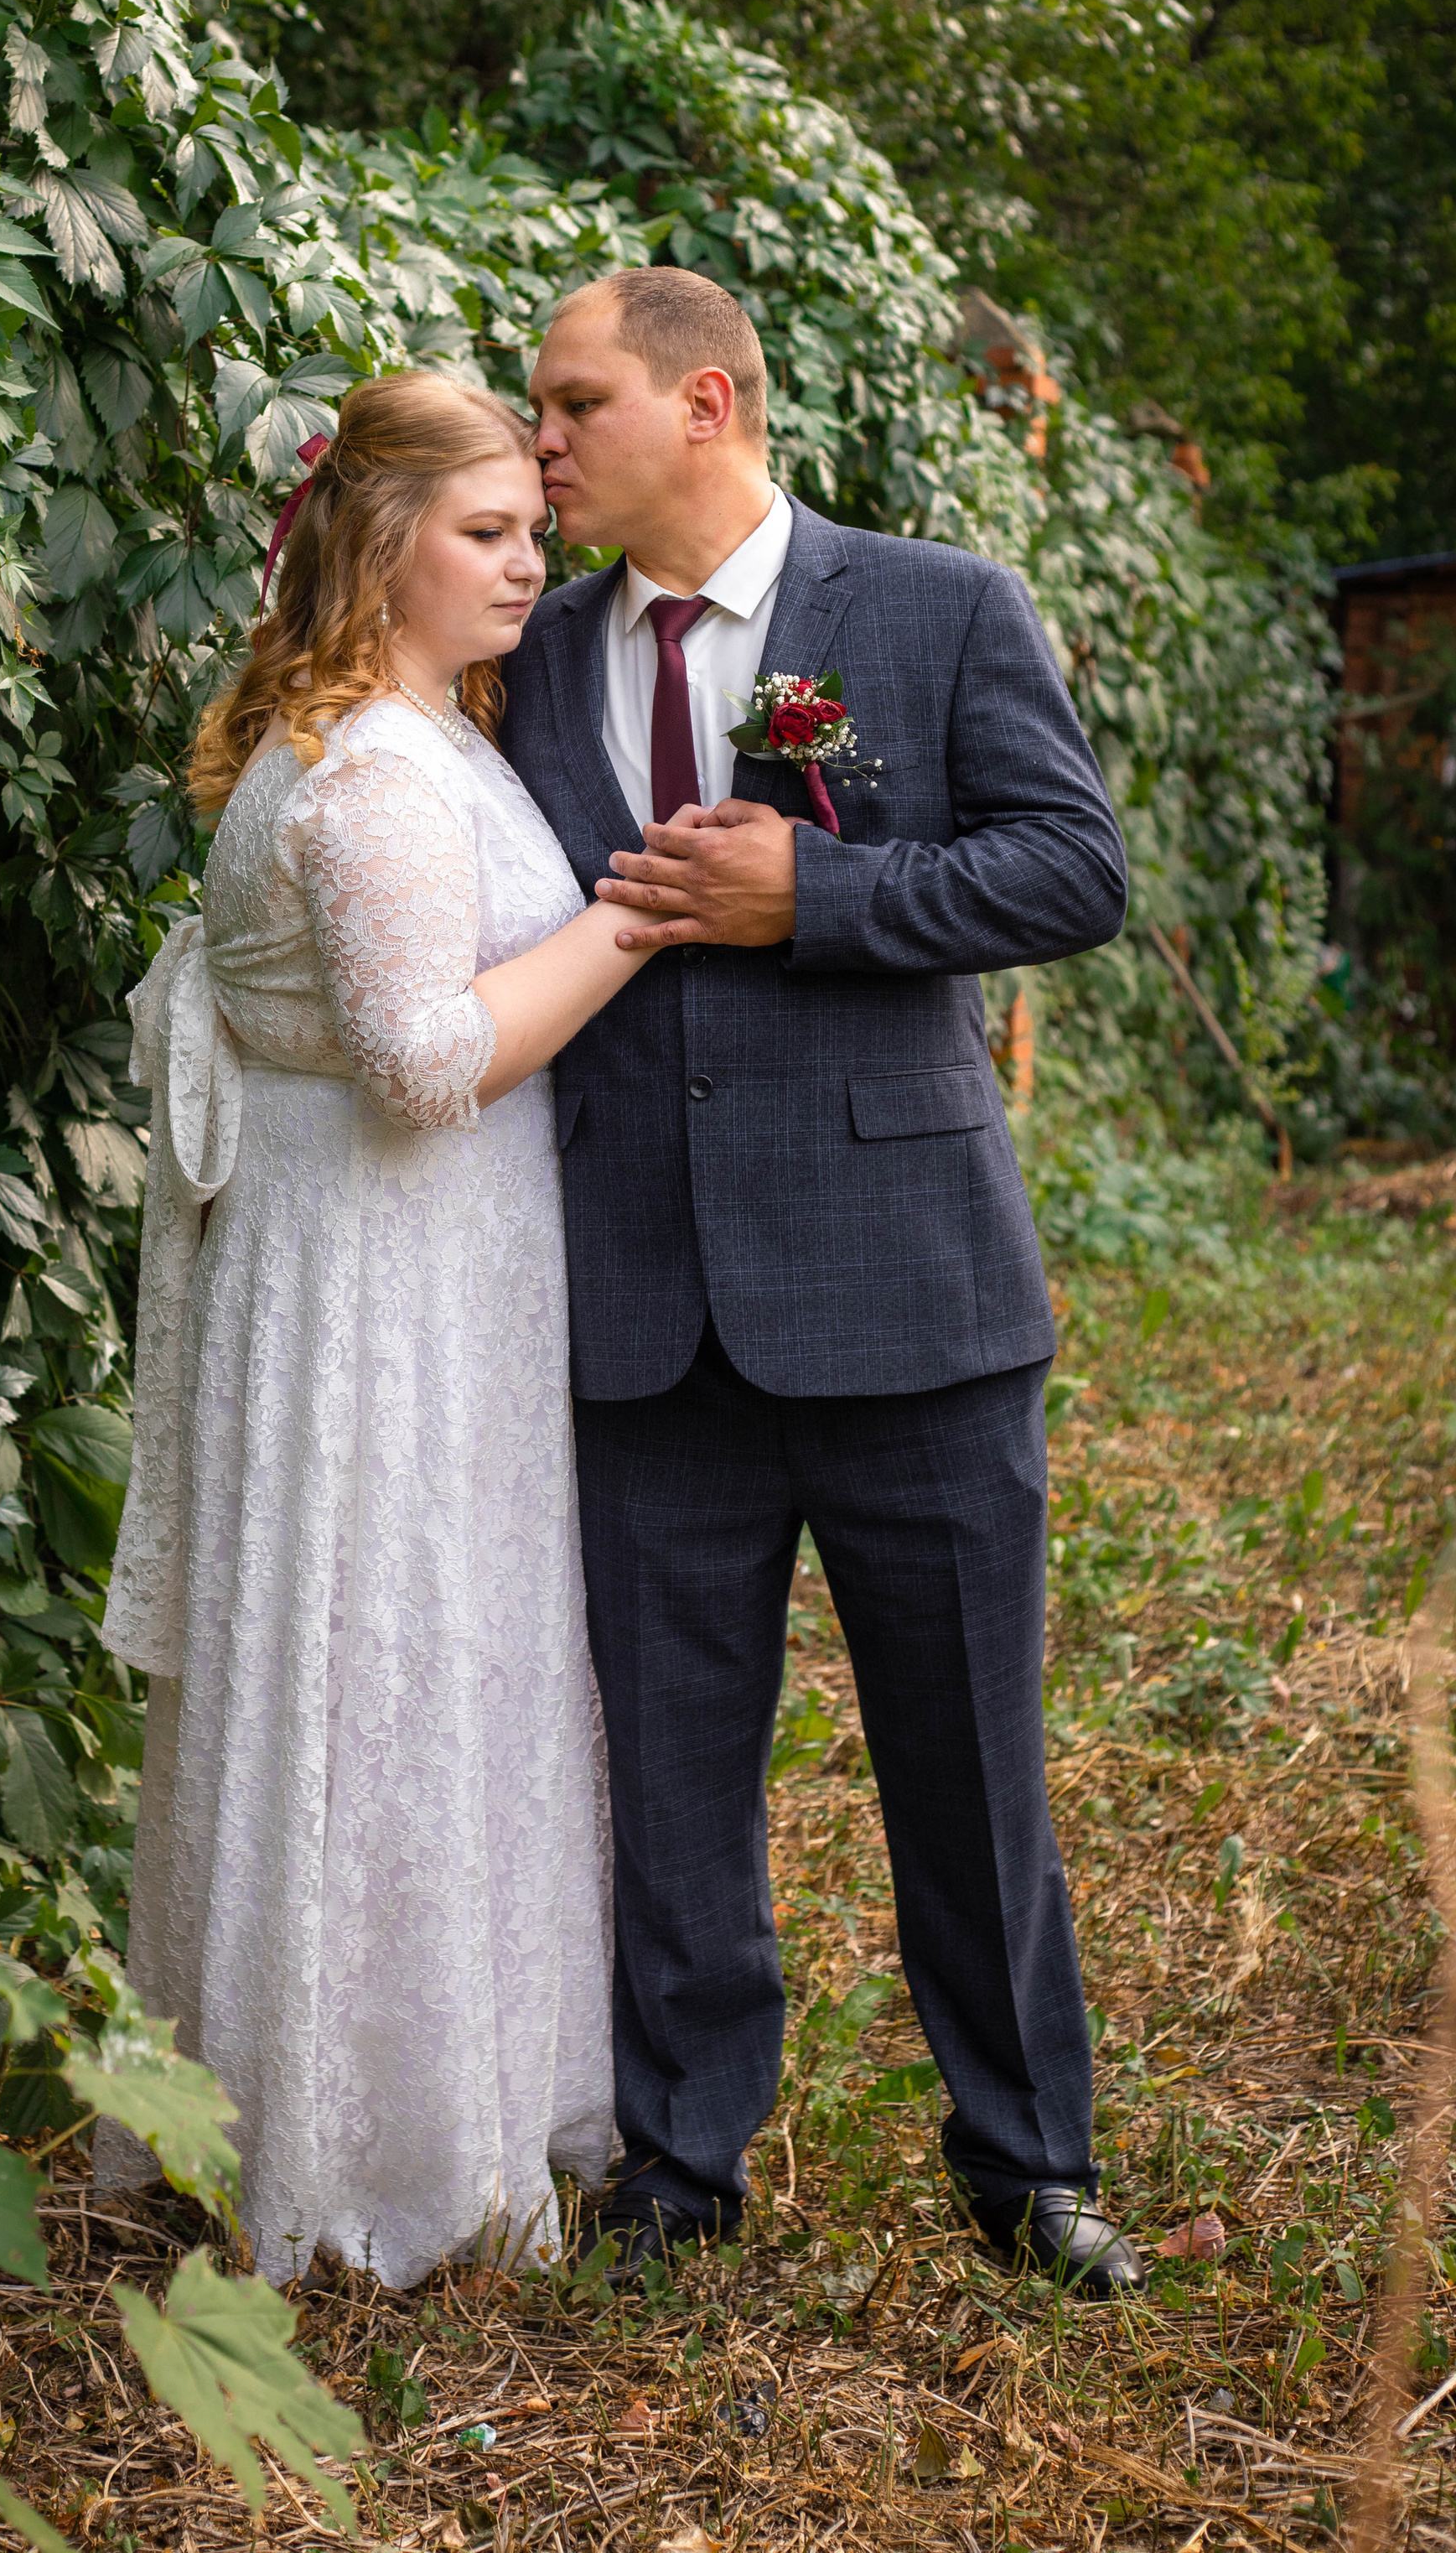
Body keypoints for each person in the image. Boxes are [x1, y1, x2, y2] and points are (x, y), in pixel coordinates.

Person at [498, 264, 1144, 2295]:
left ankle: (1026, 2163)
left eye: (572, 401)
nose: (542, 441)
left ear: (704, 402)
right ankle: (678, 2170)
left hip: (907, 1301)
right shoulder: (520, 659)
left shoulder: (933, 607)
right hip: (632, 1302)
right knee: (665, 1771)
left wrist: (821, 893)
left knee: (965, 1758)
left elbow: (1072, 868)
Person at [101, 370, 667, 2287]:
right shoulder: (364, 771)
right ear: (375, 543)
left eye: (533, 532)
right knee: (375, 1670)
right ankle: (361, 2149)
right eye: (486, 533)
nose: (529, 564)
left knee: (426, 1660)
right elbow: (428, 1059)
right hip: (373, 1293)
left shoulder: (421, 731)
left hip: (420, 1279)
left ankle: (418, 2090)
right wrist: (633, 920)